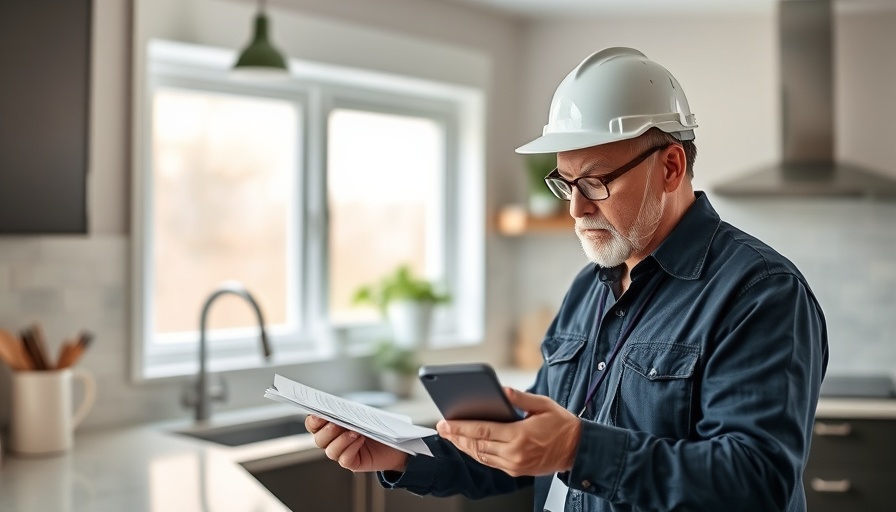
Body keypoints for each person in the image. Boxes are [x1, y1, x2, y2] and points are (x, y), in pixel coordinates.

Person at [305, 47, 829, 512]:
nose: (576, 208)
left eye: (596, 182)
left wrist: (579, 450)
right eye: (565, 182)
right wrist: (404, 456)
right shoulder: (590, 286)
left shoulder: (759, 293)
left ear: (670, 167)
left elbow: (757, 481)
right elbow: (519, 449)